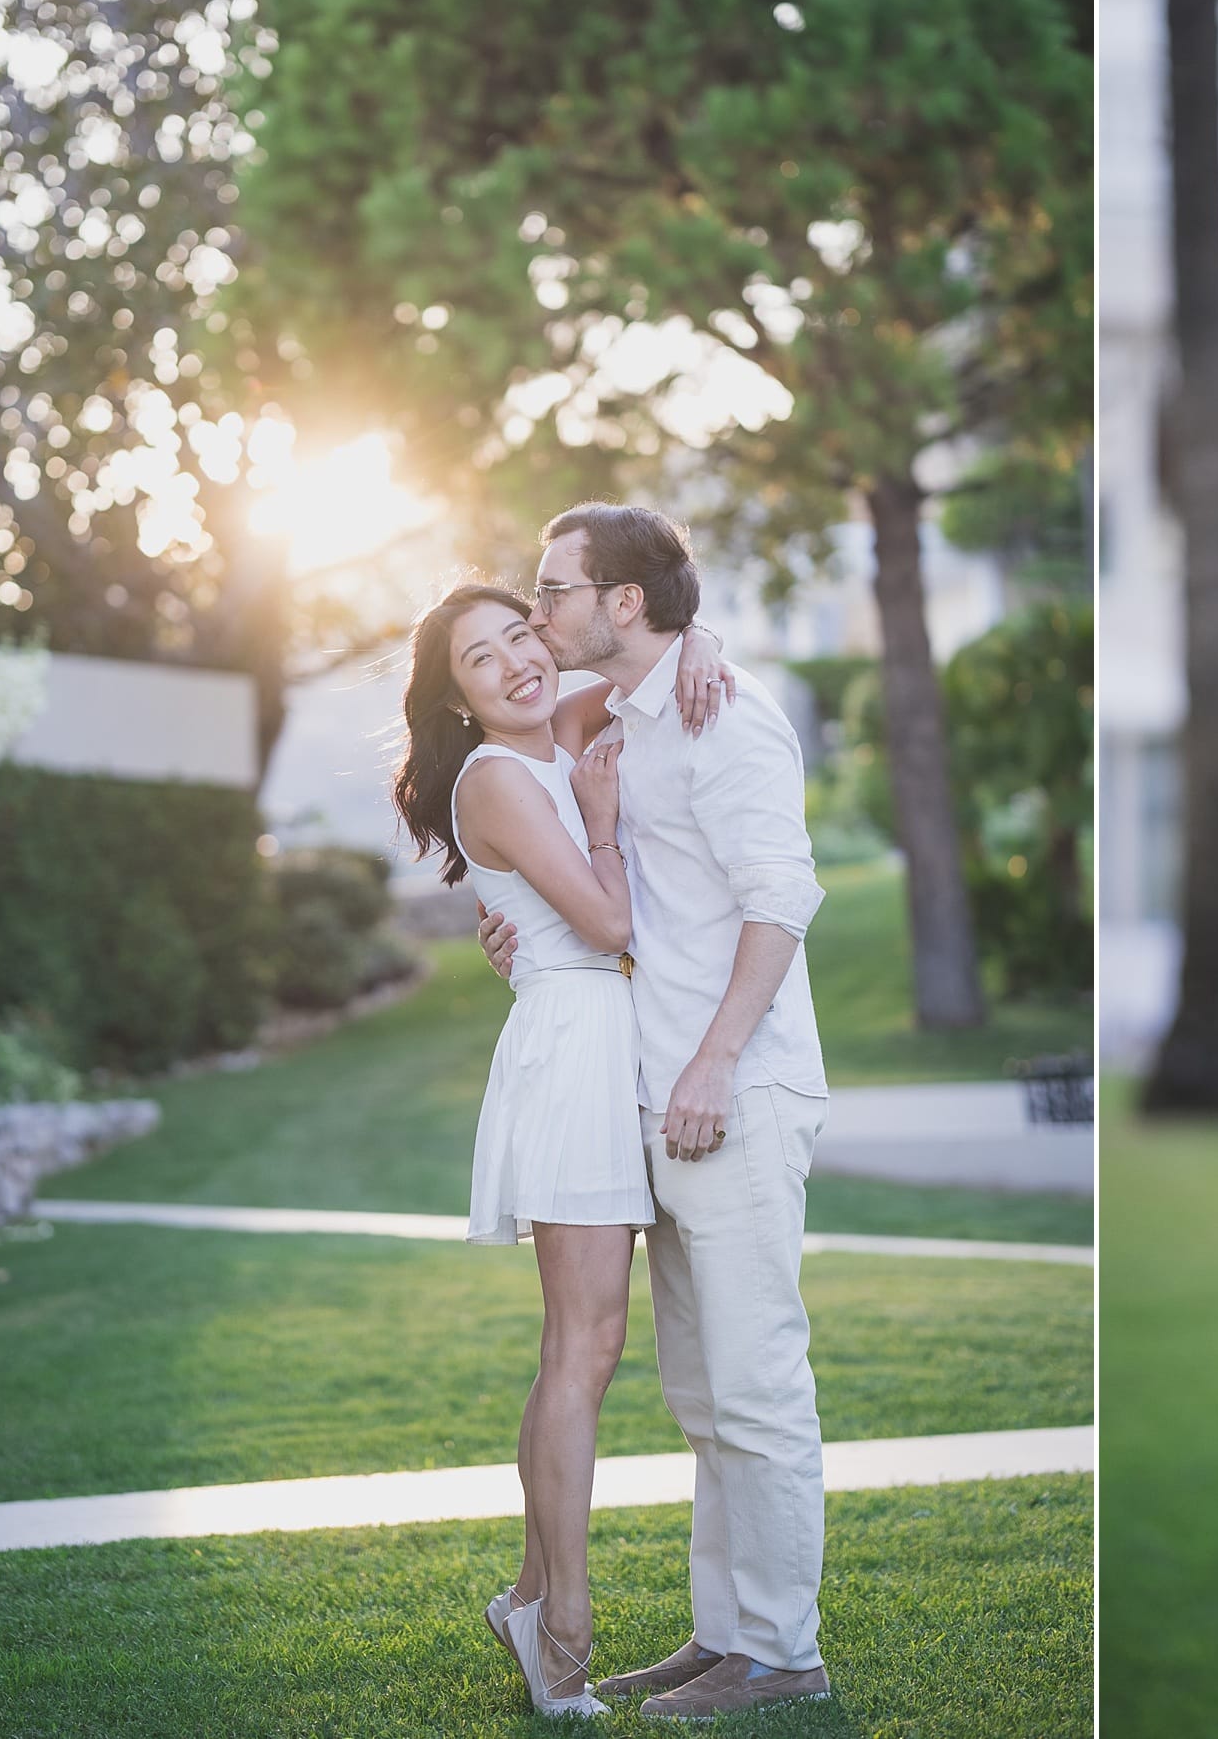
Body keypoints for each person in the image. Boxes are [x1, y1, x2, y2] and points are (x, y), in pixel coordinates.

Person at [478, 501, 836, 1721]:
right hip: (662, 1100)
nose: (541, 611)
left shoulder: (725, 712)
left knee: (757, 1384)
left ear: (620, 602)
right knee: (701, 1393)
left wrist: (713, 1060)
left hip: (729, 1089)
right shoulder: (638, 709)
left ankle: (785, 1657)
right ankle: (724, 1635)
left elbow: (782, 896)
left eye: (557, 588)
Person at [389, 580, 723, 1717]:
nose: (519, 663)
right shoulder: (494, 775)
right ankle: (563, 1624)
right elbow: (610, 924)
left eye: (521, 635)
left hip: (595, 1035)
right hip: (574, 1046)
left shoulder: (556, 727)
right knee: (581, 1348)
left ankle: (531, 1596)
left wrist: (704, 633)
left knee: (586, 1343)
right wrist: (592, 820)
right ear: (462, 700)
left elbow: (633, 673)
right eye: (483, 660)